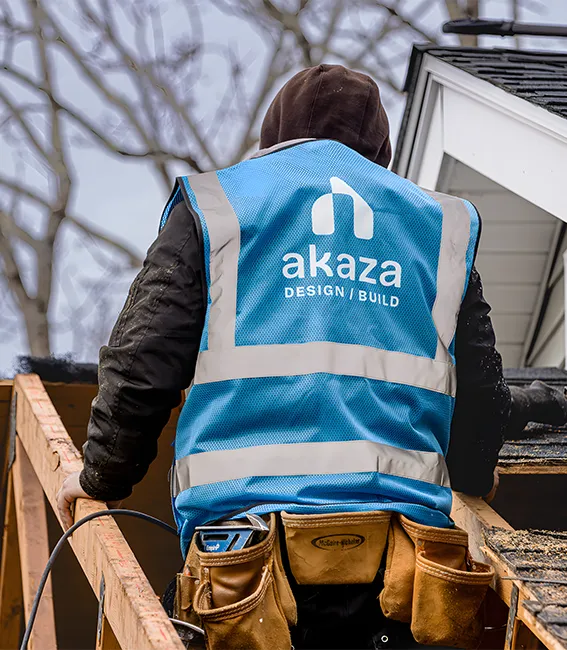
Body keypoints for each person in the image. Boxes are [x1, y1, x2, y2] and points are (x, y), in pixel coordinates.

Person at [56, 65, 559, 649]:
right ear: (383, 154)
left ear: (272, 139)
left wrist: (101, 474)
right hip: (404, 566)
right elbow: (480, 392)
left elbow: (143, 364)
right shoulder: (438, 223)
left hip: (242, 560)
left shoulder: (220, 204)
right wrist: (473, 471)